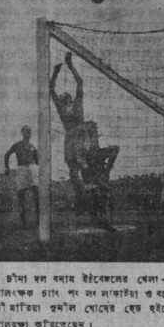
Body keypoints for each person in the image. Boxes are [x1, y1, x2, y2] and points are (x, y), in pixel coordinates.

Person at [50, 51, 120, 212]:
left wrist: (70, 65)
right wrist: (55, 72)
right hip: (70, 140)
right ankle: (82, 199)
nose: (61, 97)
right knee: (73, 173)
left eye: (64, 96)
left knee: (88, 169)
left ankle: (98, 195)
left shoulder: (77, 103)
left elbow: (79, 81)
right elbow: (51, 89)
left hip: (82, 138)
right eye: (60, 97)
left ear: (69, 98)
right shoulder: (61, 109)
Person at [4, 126, 39, 229]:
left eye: (30, 131)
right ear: (22, 132)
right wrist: (7, 168)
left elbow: (37, 161)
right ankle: (24, 223)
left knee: (36, 195)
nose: (29, 132)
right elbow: (7, 155)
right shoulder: (17, 145)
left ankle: (39, 221)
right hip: (22, 170)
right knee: (21, 196)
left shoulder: (33, 146)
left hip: (32, 169)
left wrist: (41, 155)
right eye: (27, 130)